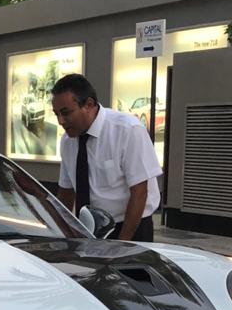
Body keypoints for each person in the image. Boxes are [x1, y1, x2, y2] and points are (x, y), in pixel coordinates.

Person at [51, 73, 162, 241]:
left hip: (130, 225)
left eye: (66, 113)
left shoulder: (128, 130)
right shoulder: (68, 141)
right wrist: (59, 234)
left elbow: (139, 193)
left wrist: (121, 245)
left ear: (88, 104)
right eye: (56, 114)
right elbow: (66, 192)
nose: (60, 121)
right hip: (88, 227)